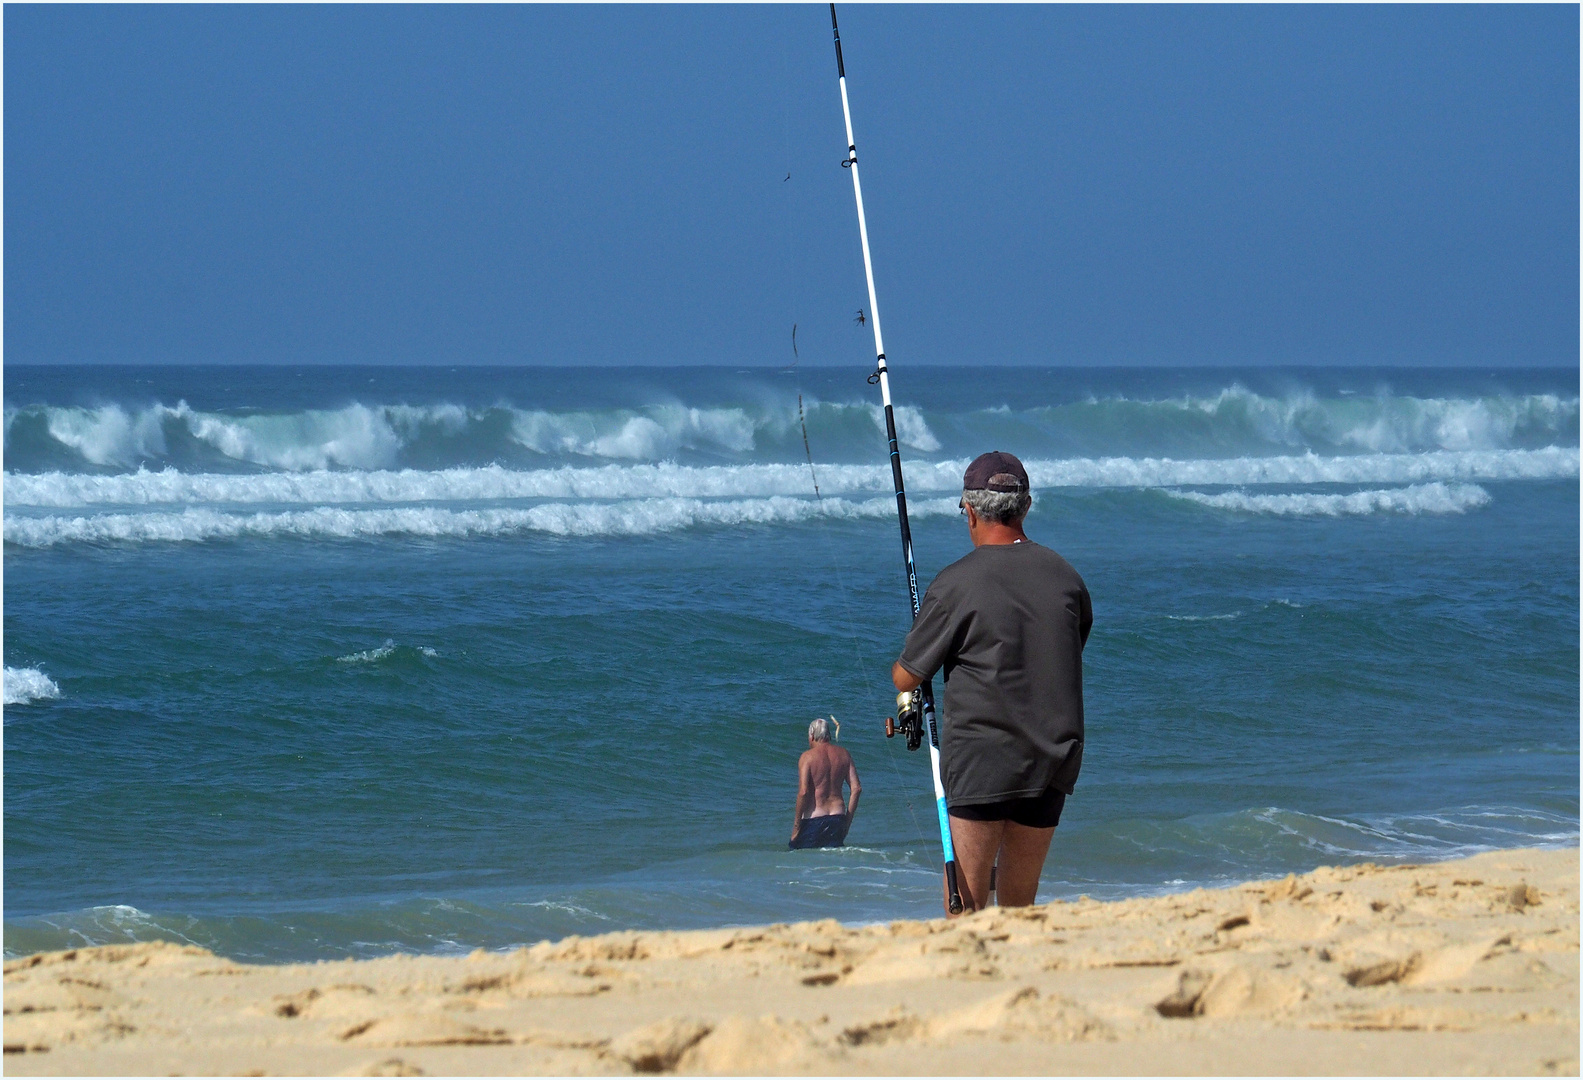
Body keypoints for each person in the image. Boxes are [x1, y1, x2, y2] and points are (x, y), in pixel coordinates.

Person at [891, 451, 1091, 913]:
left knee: (966, 905)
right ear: (1025, 507)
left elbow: (906, 674)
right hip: (1052, 757)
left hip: (981, 762)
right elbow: (1070, 643)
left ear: (970, 511)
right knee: (1021, 906)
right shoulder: (1066, 577)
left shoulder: (956, 583)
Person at [789, 716, 861, 849]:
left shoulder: (807, 757)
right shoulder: (844, 754)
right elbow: (856, 789)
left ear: (811, 736)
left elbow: (803, 792)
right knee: (833, 865)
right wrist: (847, 823)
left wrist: (796, 827)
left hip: (814, 820)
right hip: (838, 818)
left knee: (797, 856)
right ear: (828, 735)